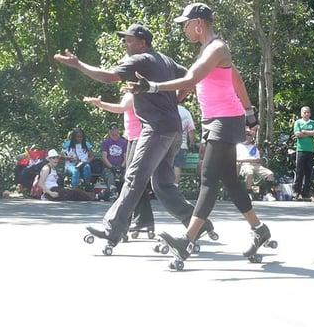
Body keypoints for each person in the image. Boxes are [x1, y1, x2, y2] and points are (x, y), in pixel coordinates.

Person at [126, 2, 271, 261]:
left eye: (186, 24)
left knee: (208, 178)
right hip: (217, 119)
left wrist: (152, 87)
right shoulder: (209, 49)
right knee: (230, 180)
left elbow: (192, 79)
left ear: (199, 24)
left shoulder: (216, 48)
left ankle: (187, 239)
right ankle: (259, 229)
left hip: (224, 120)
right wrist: (250, 113)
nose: (184, 30)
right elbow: (234, 78)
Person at [54, 23, 214, 246]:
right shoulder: (164, 60)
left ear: (142, 43)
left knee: (134, 177)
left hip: (156, 129)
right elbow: (190, 77)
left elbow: (109, 77)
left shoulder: (141, 59)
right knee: (163, 184)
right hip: (173, 128)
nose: (125, 43)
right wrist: (177, 99)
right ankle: (198, 223)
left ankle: (113, 229)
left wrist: (78, 64)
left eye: (129, 40)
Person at [84, 92, 156, 232]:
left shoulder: (135, 95)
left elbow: (121, 108)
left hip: (139, 139)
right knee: (134, 181)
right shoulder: (135, 93)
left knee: (131, 181)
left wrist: (100, 104)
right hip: (132, 138)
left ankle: (122, 223)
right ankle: (143, 220)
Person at [236, 127, 275, 201]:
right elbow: (237, 159)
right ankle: (249, 192)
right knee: (249, 173)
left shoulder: (254, 147)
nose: (249, 137)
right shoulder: (238, 146)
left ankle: (268, 194)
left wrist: (254, 160)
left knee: (270, 174)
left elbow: (258, 159)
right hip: (245, 165)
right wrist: (249, 160)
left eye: (250, 135)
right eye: (247, 135)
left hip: (256, 165)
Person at [293, 106, 314, 201]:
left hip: (311, 150)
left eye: (308, 112)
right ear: (301, 114)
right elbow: (297, 134)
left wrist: (304, 131)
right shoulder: (298, 122)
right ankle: (296, 192)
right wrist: (309, 133)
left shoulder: (313, 123)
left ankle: (306, 193)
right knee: (299, 171)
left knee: (308, 172)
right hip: (301, 150)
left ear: (310, 113)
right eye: (304, 112)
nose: (306, 114)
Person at [101, 122, 128, 198]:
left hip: (121, 166)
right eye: (112, 129)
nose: (114, 130)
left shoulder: (124, 142)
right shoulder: (105, 142)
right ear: (109, 131)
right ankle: (113, 192)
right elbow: (104, 157)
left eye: (115, 128)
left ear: (118, 130)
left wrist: (121, 166)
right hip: (109, 166)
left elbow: (126, 156)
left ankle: (127, 194)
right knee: (109, 175)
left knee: (127, 174)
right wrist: (112, 167)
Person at [174, 104, 196, 184]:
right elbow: (191, 129)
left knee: (167, 166)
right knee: (177, 166)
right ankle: (175, 186)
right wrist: (192, 143)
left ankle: (166, 188)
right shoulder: (186, 112)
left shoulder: (168, 108)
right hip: (181, 145)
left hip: (167, 144)